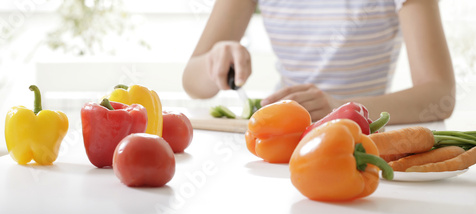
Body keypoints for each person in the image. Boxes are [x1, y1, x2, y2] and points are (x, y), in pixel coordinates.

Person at [182, 0, 455, 124]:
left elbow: (439, 93)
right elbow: (193, 83)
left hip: (360, 139)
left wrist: (339, 108)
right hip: (283, 139)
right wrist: (215, 59)